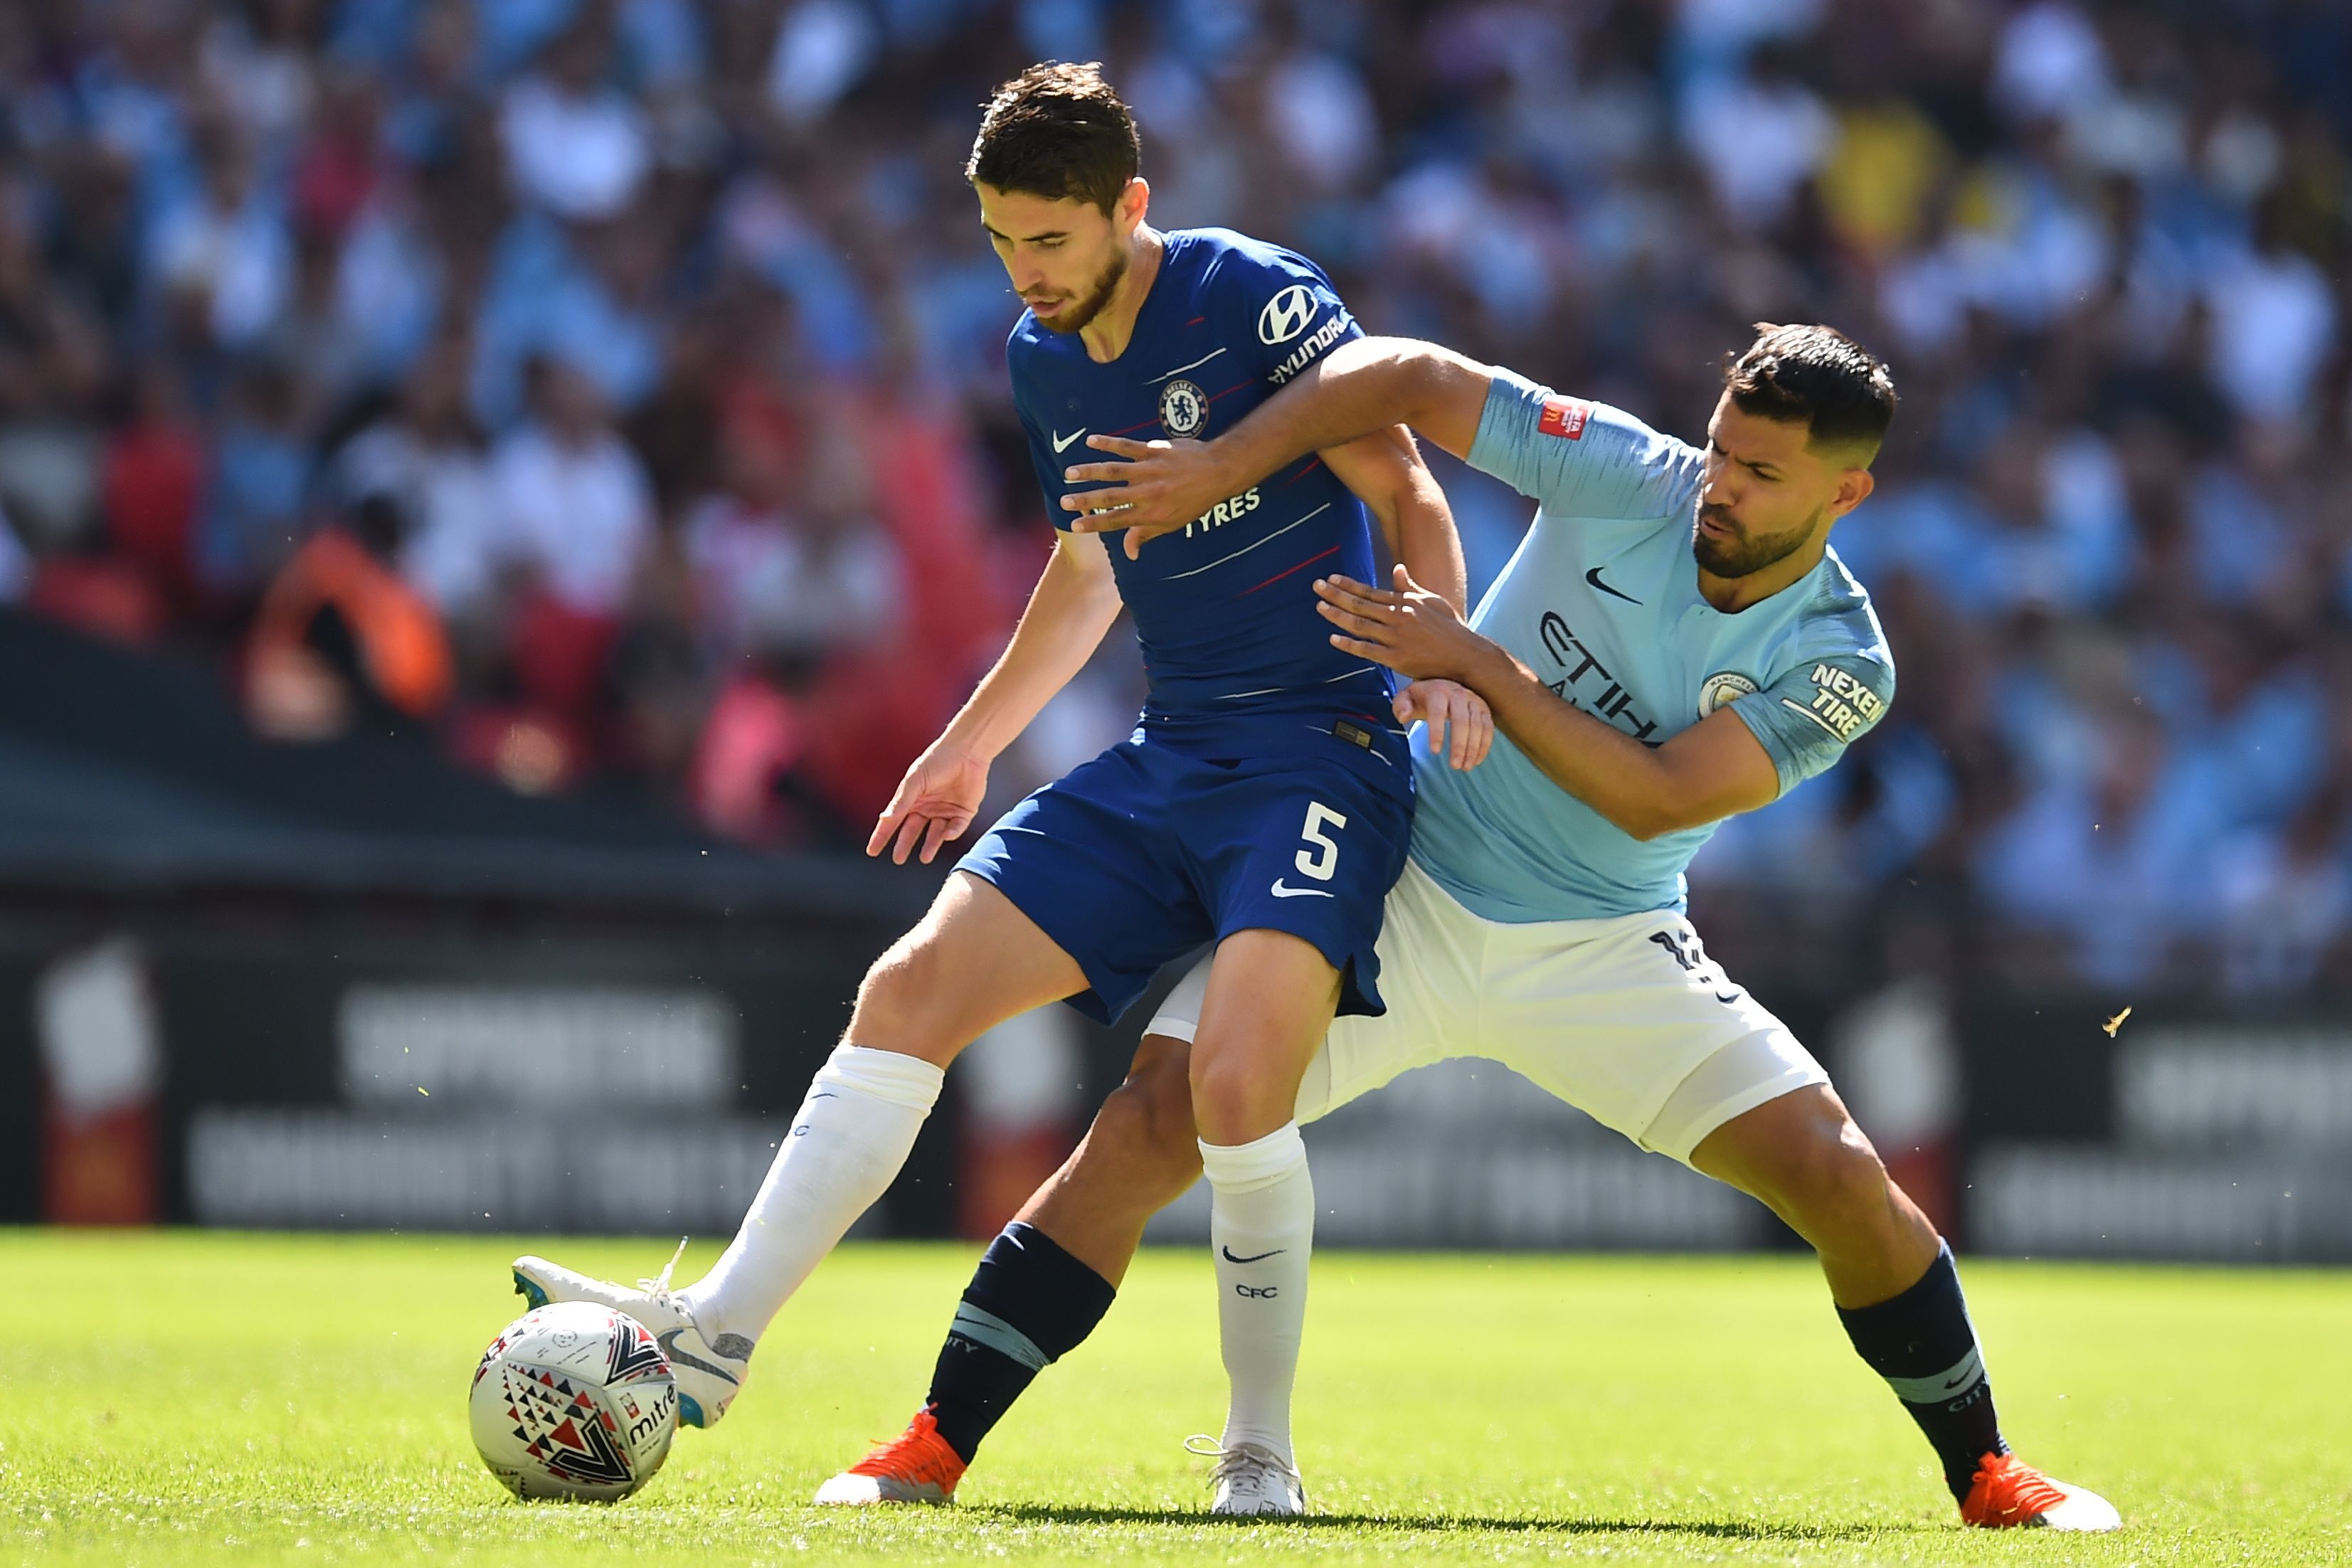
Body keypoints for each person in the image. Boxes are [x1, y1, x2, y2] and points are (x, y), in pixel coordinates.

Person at [815, 323, 2121, 1533]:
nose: (1718, 485)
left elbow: (1660, 793)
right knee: (1155, 1123)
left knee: (1839, 1177)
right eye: (1721, 447)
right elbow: (1402, 374)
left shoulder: (1842, 654)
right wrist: (1223, 458)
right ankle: (933, 1446)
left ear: (1846, 496)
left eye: (1761, 472)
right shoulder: (1631, 473)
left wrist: (1475, 662)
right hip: (1400, 882)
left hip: (1602, 945)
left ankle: (1986, 1473)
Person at [505, 60, 1484, 1515]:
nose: (1025, 273)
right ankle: (717, 1338)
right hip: (1175, 753)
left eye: (1051, 241)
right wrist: (973, 738)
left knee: (1228, 1092)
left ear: (1129, 210)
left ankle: (1258, 1452)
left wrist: (1443, 653)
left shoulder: (1254, 297)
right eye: (1002, 241)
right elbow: (1091, 567)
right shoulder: (1040, 361)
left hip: (1318, 754)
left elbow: (1404, 481)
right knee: (908, 989)